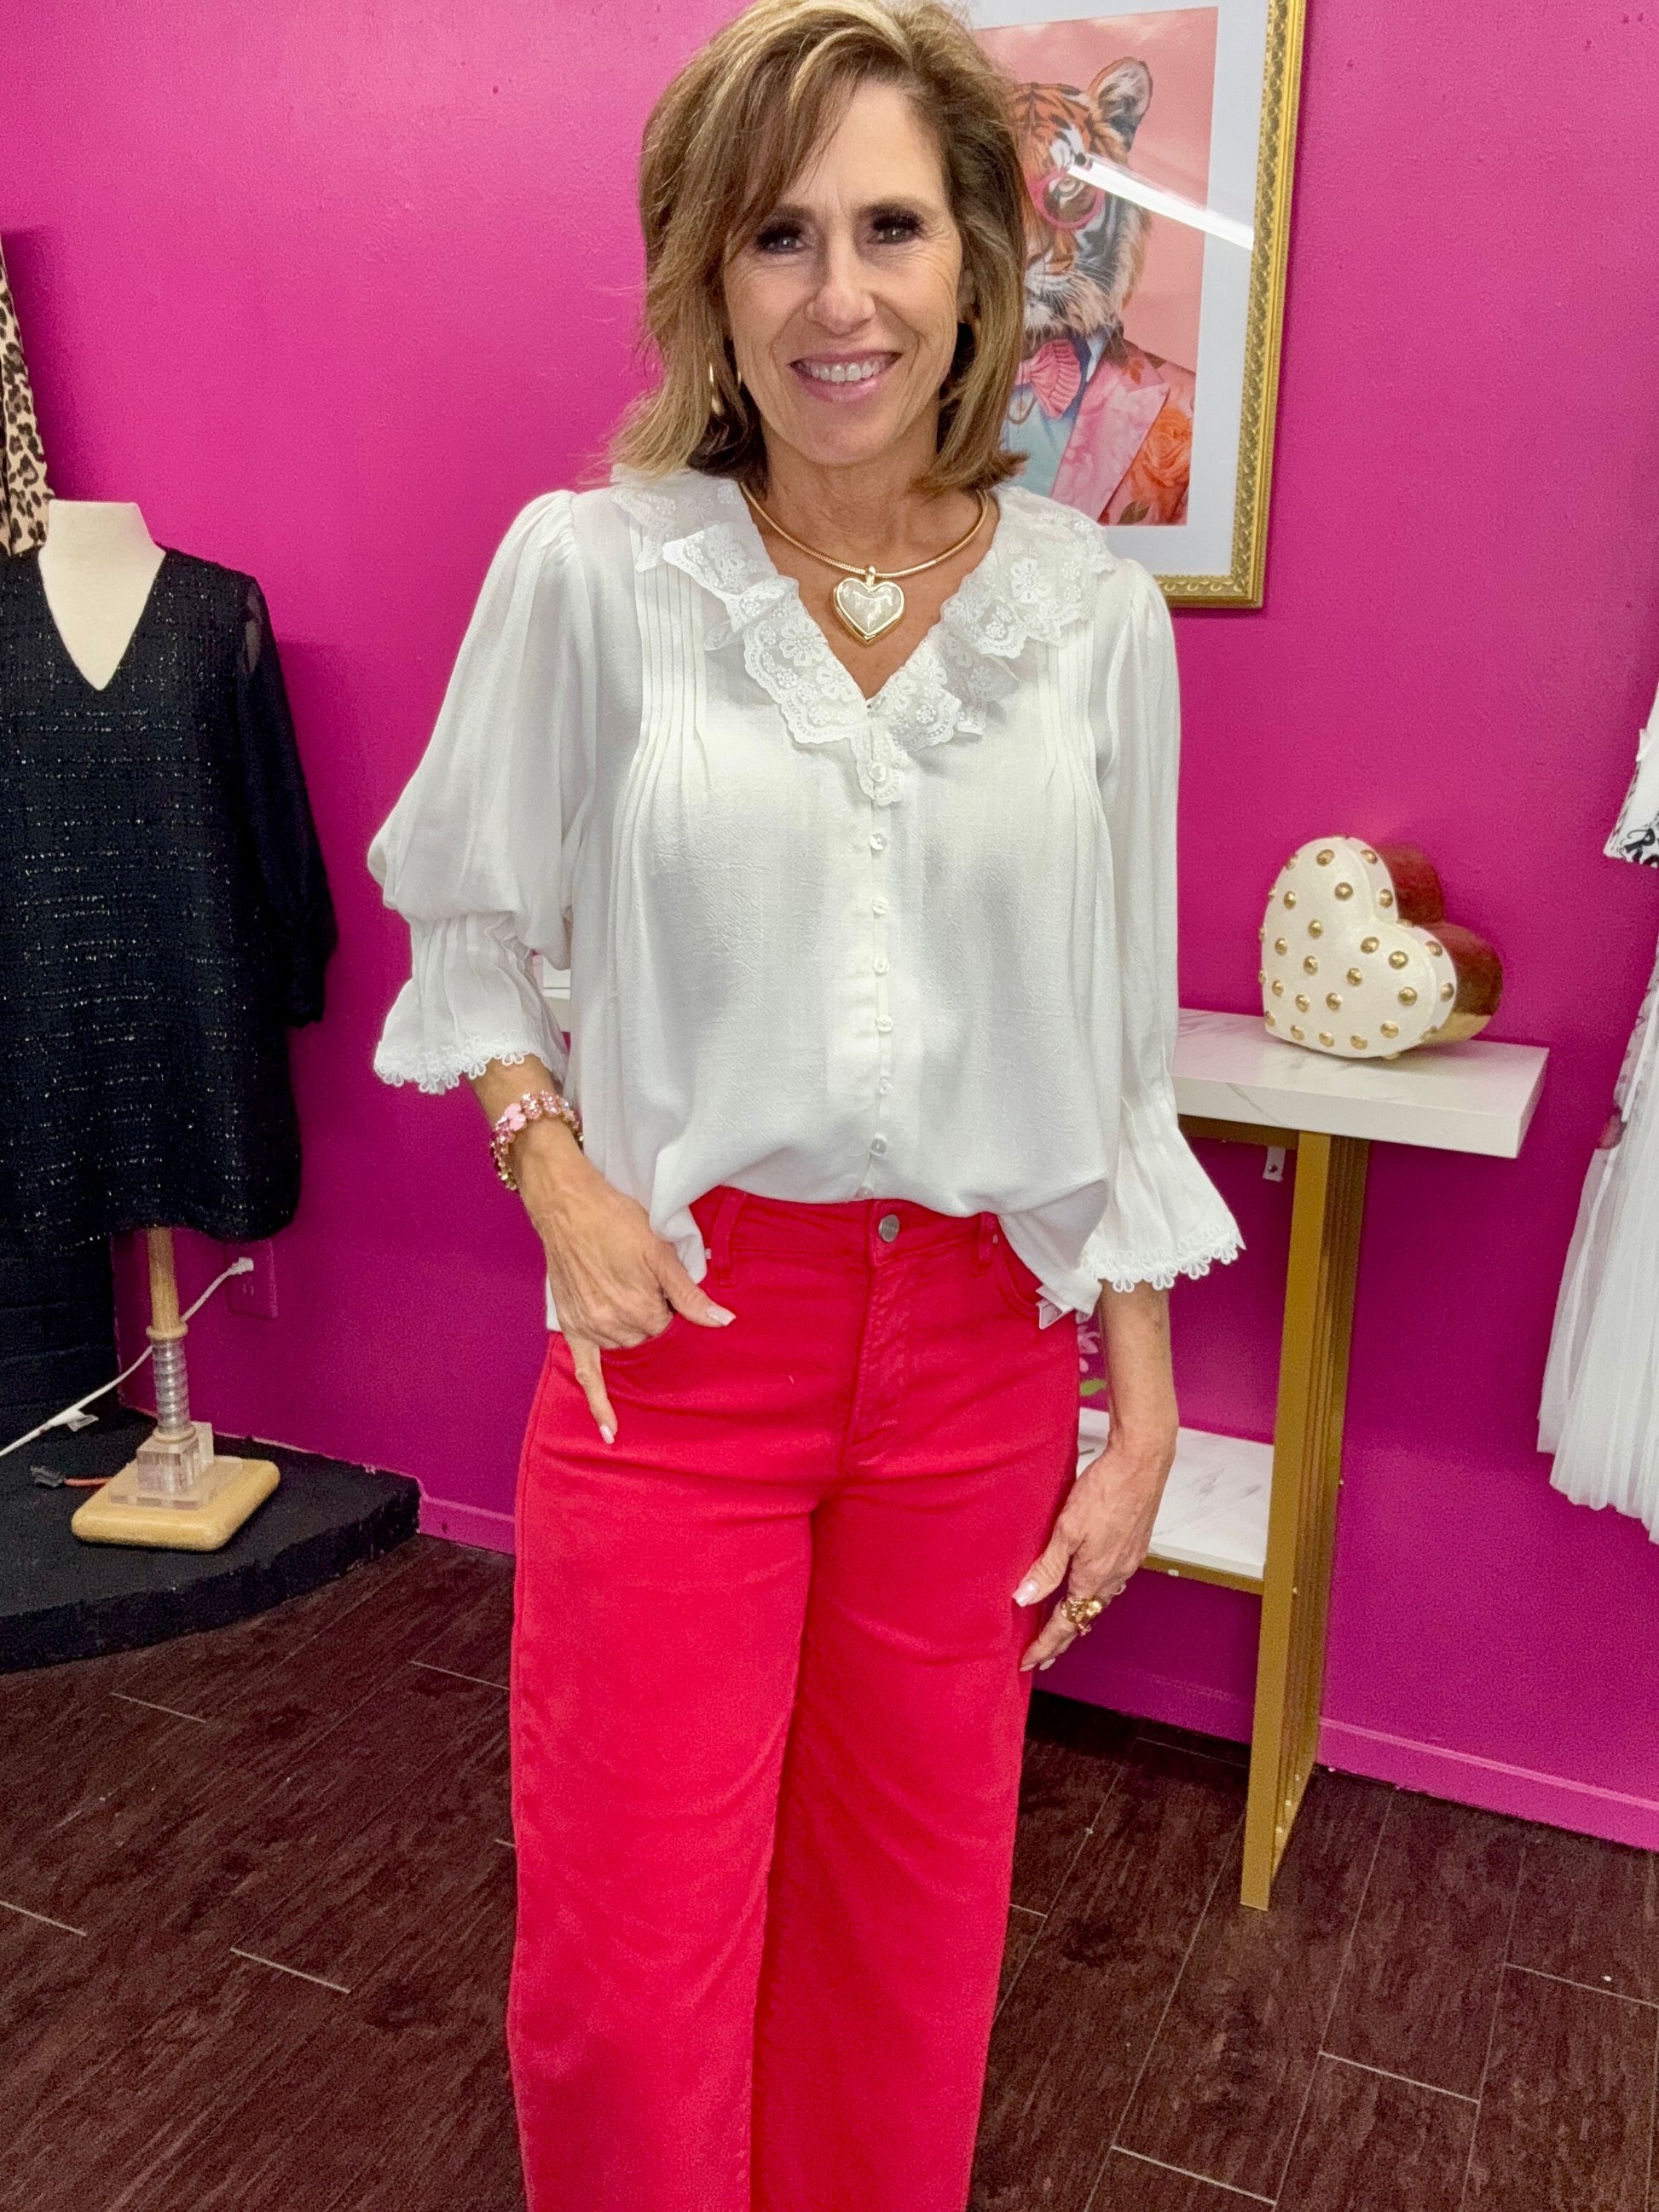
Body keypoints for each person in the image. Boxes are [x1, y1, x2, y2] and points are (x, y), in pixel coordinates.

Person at [366, 2, 1240, 2204]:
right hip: (682, 1342)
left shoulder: (1088, 621)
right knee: (627, 1960)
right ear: (708, 277)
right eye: (778, 235)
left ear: (975, 260)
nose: (837, 296)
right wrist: (551, 1163)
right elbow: (469, 924)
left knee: (906, 1943)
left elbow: (1114, 1048)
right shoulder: (594, 574)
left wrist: (1137, 1415)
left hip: (978, 1360)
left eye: (889, 228)